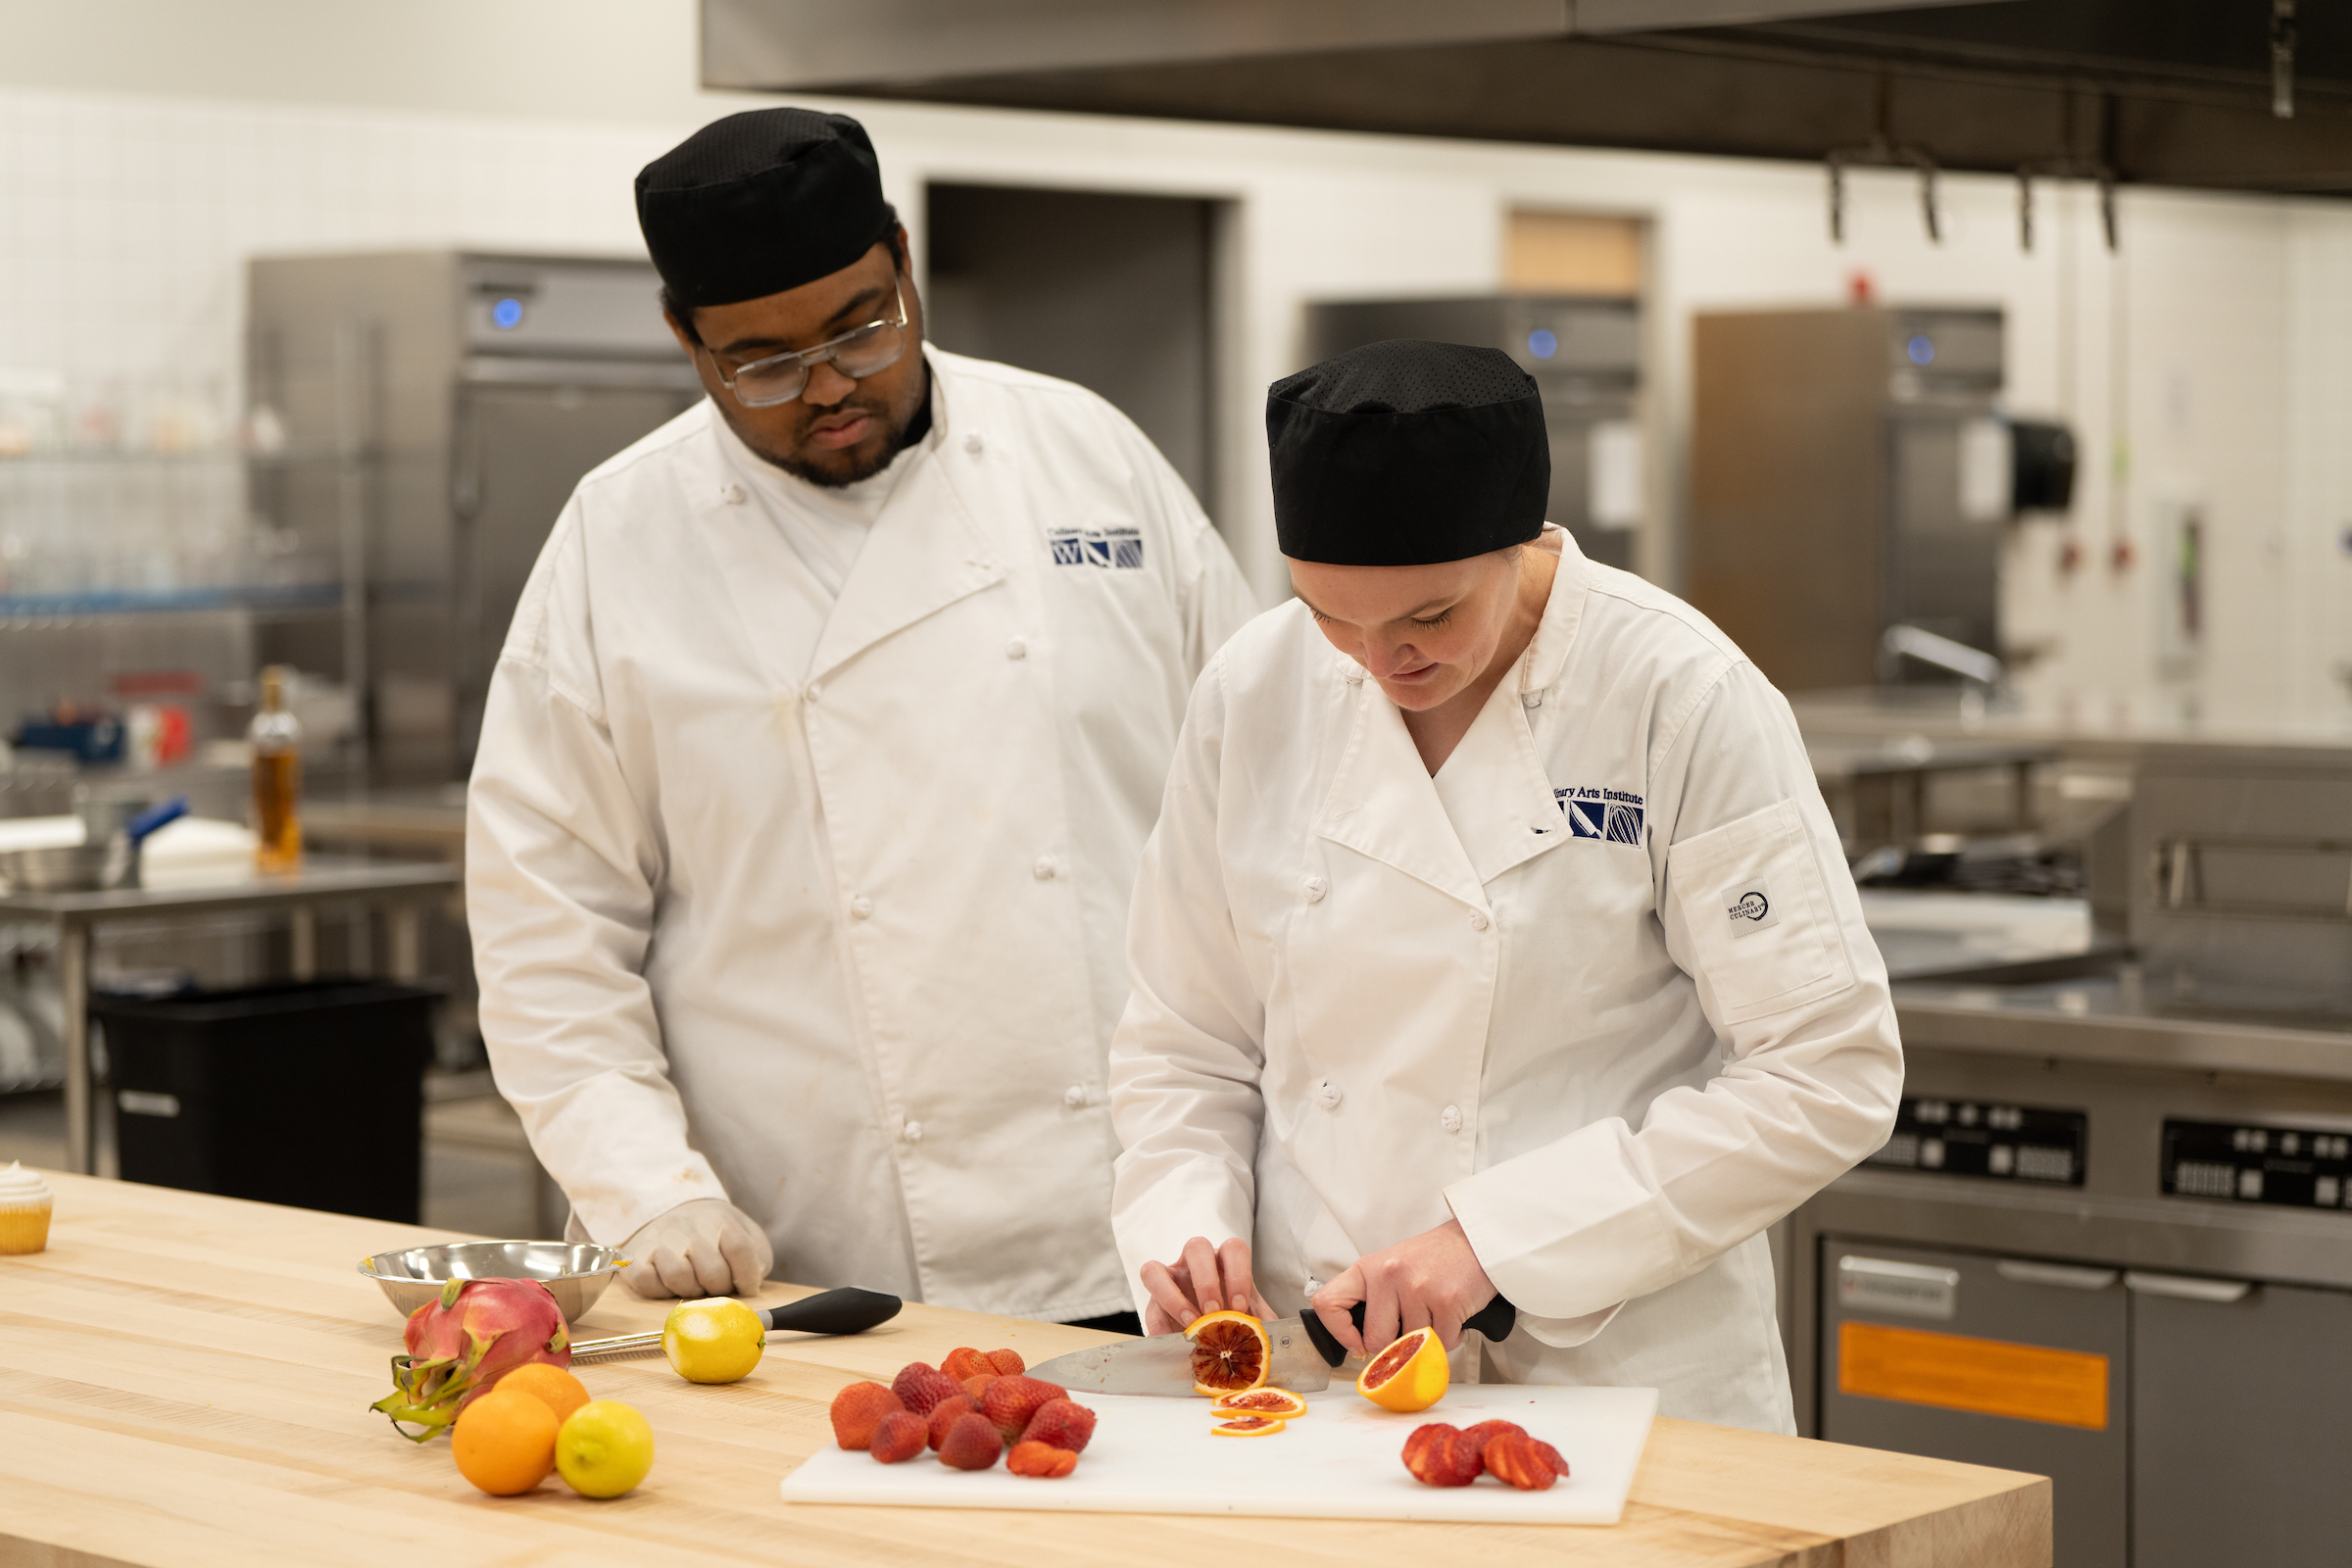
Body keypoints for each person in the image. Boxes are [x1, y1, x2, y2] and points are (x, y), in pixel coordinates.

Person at [466, 108, 1255, 1328]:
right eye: (765, 363)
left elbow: (1261, 802)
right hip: (807, 1251)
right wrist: (646, 1190)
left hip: (1137, 1224)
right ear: (686, 339)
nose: (829, 387)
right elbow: (545, 929)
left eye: (860, 329)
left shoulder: (1085, 455)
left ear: (903, 261)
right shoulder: (619, 538)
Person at [1107, 340, 1901, 1430]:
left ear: (1524, 540)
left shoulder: (1679, 692)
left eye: (1429, 619)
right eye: (1334, 617)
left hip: (1619, 1382)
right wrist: (1183, 1226)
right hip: (1319, 1376)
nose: (1381, 663)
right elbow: (1185, 1037)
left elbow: (1827, 1073)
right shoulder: (1255, 687)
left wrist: (1498, 1241)